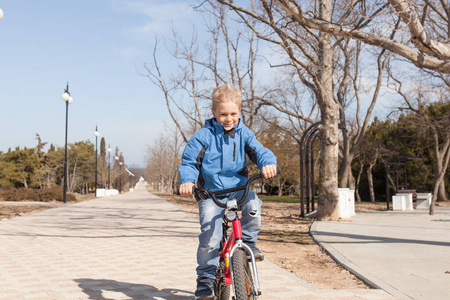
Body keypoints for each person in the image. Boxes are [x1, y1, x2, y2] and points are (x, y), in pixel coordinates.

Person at [178, 84, 277, 299]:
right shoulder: (202, 136)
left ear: (239, 112)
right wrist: (187, 180)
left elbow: (260, 151)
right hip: (210, 193)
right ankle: (205, 278)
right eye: (223, 114)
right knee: (210, 238)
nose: (228, 118)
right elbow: (189, 162)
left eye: (233, 113)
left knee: (253, 206)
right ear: (213, 113)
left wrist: (267, 163)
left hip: (239, 189)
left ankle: (248, 244)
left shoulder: (244, 133)